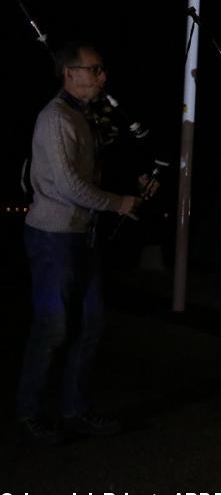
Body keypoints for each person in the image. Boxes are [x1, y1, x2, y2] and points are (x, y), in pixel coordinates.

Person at [16, 42, 149, 445]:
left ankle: (75, 409)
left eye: (102, 69)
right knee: (53, 327)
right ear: (69, 73)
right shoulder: (54, 117)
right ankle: (29, 414)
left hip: (83, 234)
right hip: (52, 238)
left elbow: (95, 168)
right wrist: (119, 203)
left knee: (91, 325)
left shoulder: (83, 115)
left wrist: (136, 179)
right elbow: (70, 185)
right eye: (95, 69)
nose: (102, 76)